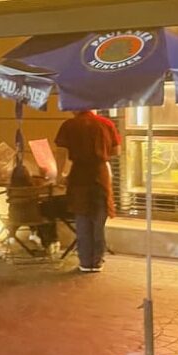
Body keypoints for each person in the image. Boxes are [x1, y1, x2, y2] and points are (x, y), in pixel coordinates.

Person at [55, 109, 121, 273]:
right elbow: (116, 151)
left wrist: (59, 175)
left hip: (79, 175)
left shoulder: (69, 125)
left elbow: (61, 152)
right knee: (99, 221)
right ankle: (97, 260)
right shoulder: (106, 124)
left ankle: (85, 261)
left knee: (82, 219)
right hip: (100, 175)